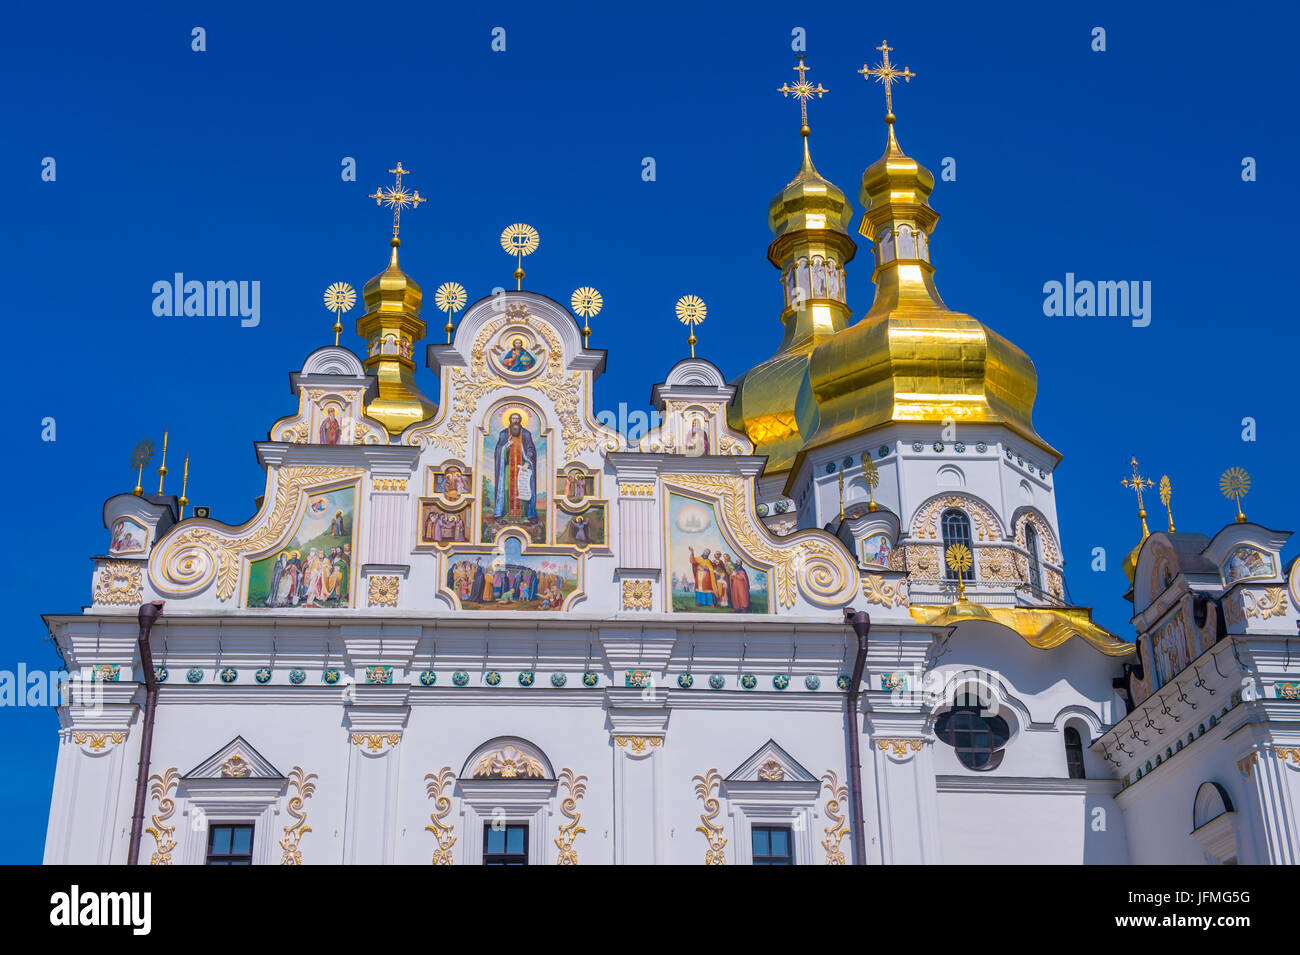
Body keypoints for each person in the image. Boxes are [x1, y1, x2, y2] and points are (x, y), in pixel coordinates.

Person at [492, 412, 538, 522]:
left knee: (522, 490)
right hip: (508, 468)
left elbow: (531, 449)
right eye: (513, 418)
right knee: (507, 489)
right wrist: (506, 446)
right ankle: (506, 515)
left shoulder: (526, 434)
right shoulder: (503, 434)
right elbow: (498, 451)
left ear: (520, 420)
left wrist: (527, 462)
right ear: (510, 420)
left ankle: (524, 516)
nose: (515, 421)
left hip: (523, 467)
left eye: (517, 418)